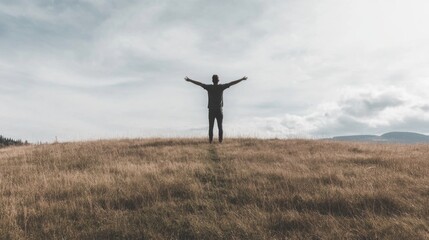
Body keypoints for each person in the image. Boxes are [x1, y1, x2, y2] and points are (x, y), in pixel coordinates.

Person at [185, 74, 247, 143]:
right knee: (220, 127)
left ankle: (210, 142)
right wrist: (241, 79)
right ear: (218, 80)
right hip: (219, 110)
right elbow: (232, 83)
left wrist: (190, 80)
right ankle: (220, 141)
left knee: (211, 127)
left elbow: (199, 84)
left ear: (212, 80)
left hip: (211, 110)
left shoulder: (209, 87)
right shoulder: (221, 87)